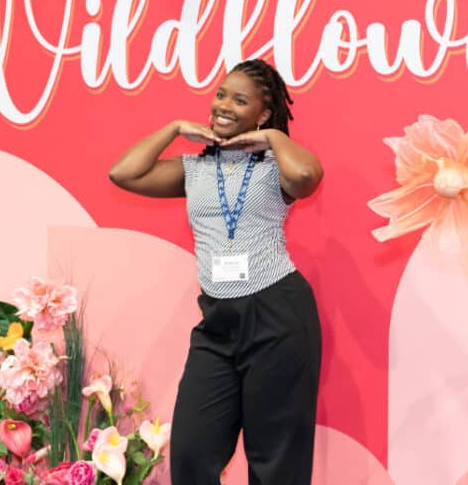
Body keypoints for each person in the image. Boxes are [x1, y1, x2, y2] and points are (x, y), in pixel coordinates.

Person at [108, 59, 324, 484]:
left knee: (275, 462)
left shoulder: (272, 167)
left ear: (262, 113)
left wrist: (272, 136)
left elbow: (305, 174)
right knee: (191, 454)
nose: (224, 105)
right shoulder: (196, 169)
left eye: (240, 100)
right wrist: (173, 128)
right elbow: (123, 173)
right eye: (222, 94)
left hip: (277, 314)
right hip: (218, 323)